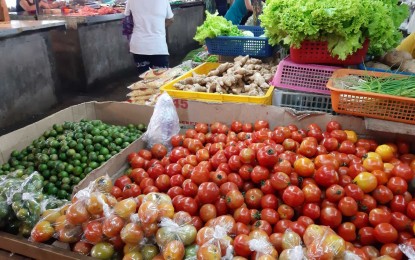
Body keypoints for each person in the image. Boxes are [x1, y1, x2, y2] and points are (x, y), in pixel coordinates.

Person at [124, 0, 174, 74]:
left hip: (139, 45)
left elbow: (127, 17)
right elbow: (170, 20)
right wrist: (158, 27)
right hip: (158, 46)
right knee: (161, 79)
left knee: (145, 79)